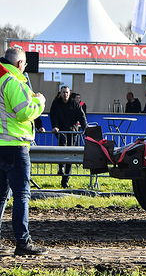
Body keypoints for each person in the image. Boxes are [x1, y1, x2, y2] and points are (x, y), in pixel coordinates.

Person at [0, 46, 47, 255]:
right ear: (20, 64)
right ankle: (23, 241)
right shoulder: (12, 81)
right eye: (25, 64)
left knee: (1, 197)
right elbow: (24, 112)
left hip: (1, 145)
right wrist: (40, 101)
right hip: (15, 146)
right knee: (22, 195)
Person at [50, 85, 87, 188]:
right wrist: (55, 126)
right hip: (61, 130)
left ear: (69, 93)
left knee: (70, 156)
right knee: (62, 143)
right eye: (63, 92)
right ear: (60, 93)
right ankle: (61, 167)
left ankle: (65, 180)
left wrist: (85, 128)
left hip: (72, 132)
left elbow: (81, 116)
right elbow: (53, 115)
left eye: (66, 92)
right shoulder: (56, 103)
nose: (65, 94)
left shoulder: (74, 103)